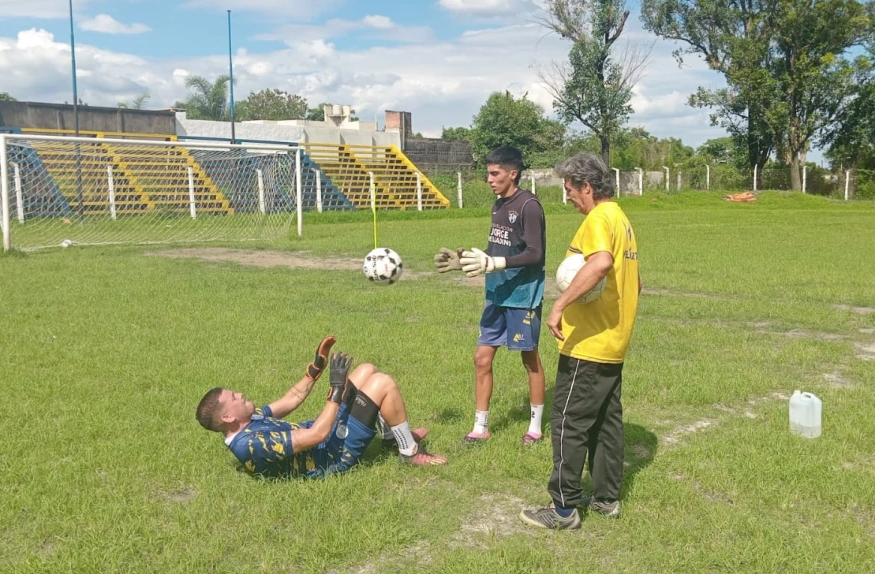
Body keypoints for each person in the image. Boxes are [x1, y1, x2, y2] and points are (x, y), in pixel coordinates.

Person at [519, 153, 640, 530]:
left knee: (569, 421)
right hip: (612, 342)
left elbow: (601, 263)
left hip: (588, 344)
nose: (567, 197)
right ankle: (606, 498)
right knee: (605, 423)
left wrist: (560, 305)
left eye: (570, 190)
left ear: (587, 187)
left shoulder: (599, 219)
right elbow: (633, 281)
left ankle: (564, 508)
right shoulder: (621, 218)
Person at [196, 336, 446, 478]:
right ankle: (409, 453)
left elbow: (292, 398)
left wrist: (317, 367)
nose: (240, 394)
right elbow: (317, 435)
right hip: (332, 455)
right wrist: (336, 390)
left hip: (325, 435)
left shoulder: (248, 421)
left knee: (366, 369)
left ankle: (391, 439)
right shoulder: (251, 446)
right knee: (383, 383)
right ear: (228, 416)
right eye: (234, 397)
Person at [434, 146, 547, 445]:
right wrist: (467, 260)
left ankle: (535, 426)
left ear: (513, 173)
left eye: (495, 173)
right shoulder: (498, 205)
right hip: (496, 293)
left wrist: (497, 263)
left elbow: (535, 254)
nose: (489, 179)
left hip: (523, 296)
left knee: (530, 360)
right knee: (481, 358)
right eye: (488, 173)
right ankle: (480, 426)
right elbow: (498, 249)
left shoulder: (529, 206)